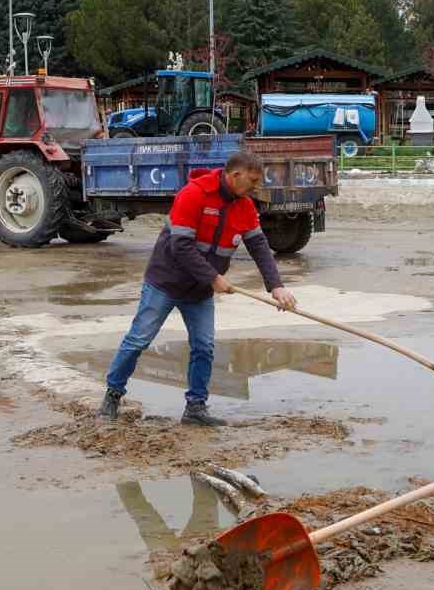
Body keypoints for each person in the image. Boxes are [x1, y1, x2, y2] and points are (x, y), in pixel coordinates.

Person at [98, 151, 297, 427]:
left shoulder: (245, 206)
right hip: (165, 282)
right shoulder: (194, 194)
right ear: (235, 175)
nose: (256, 186)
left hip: (199, 291)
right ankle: (112, 395)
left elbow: (259, 247)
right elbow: (180, 246)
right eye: (252, 181)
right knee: (138, 340)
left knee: (204, 346)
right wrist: (213, 278)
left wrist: (276, 286)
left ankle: (195, 408)